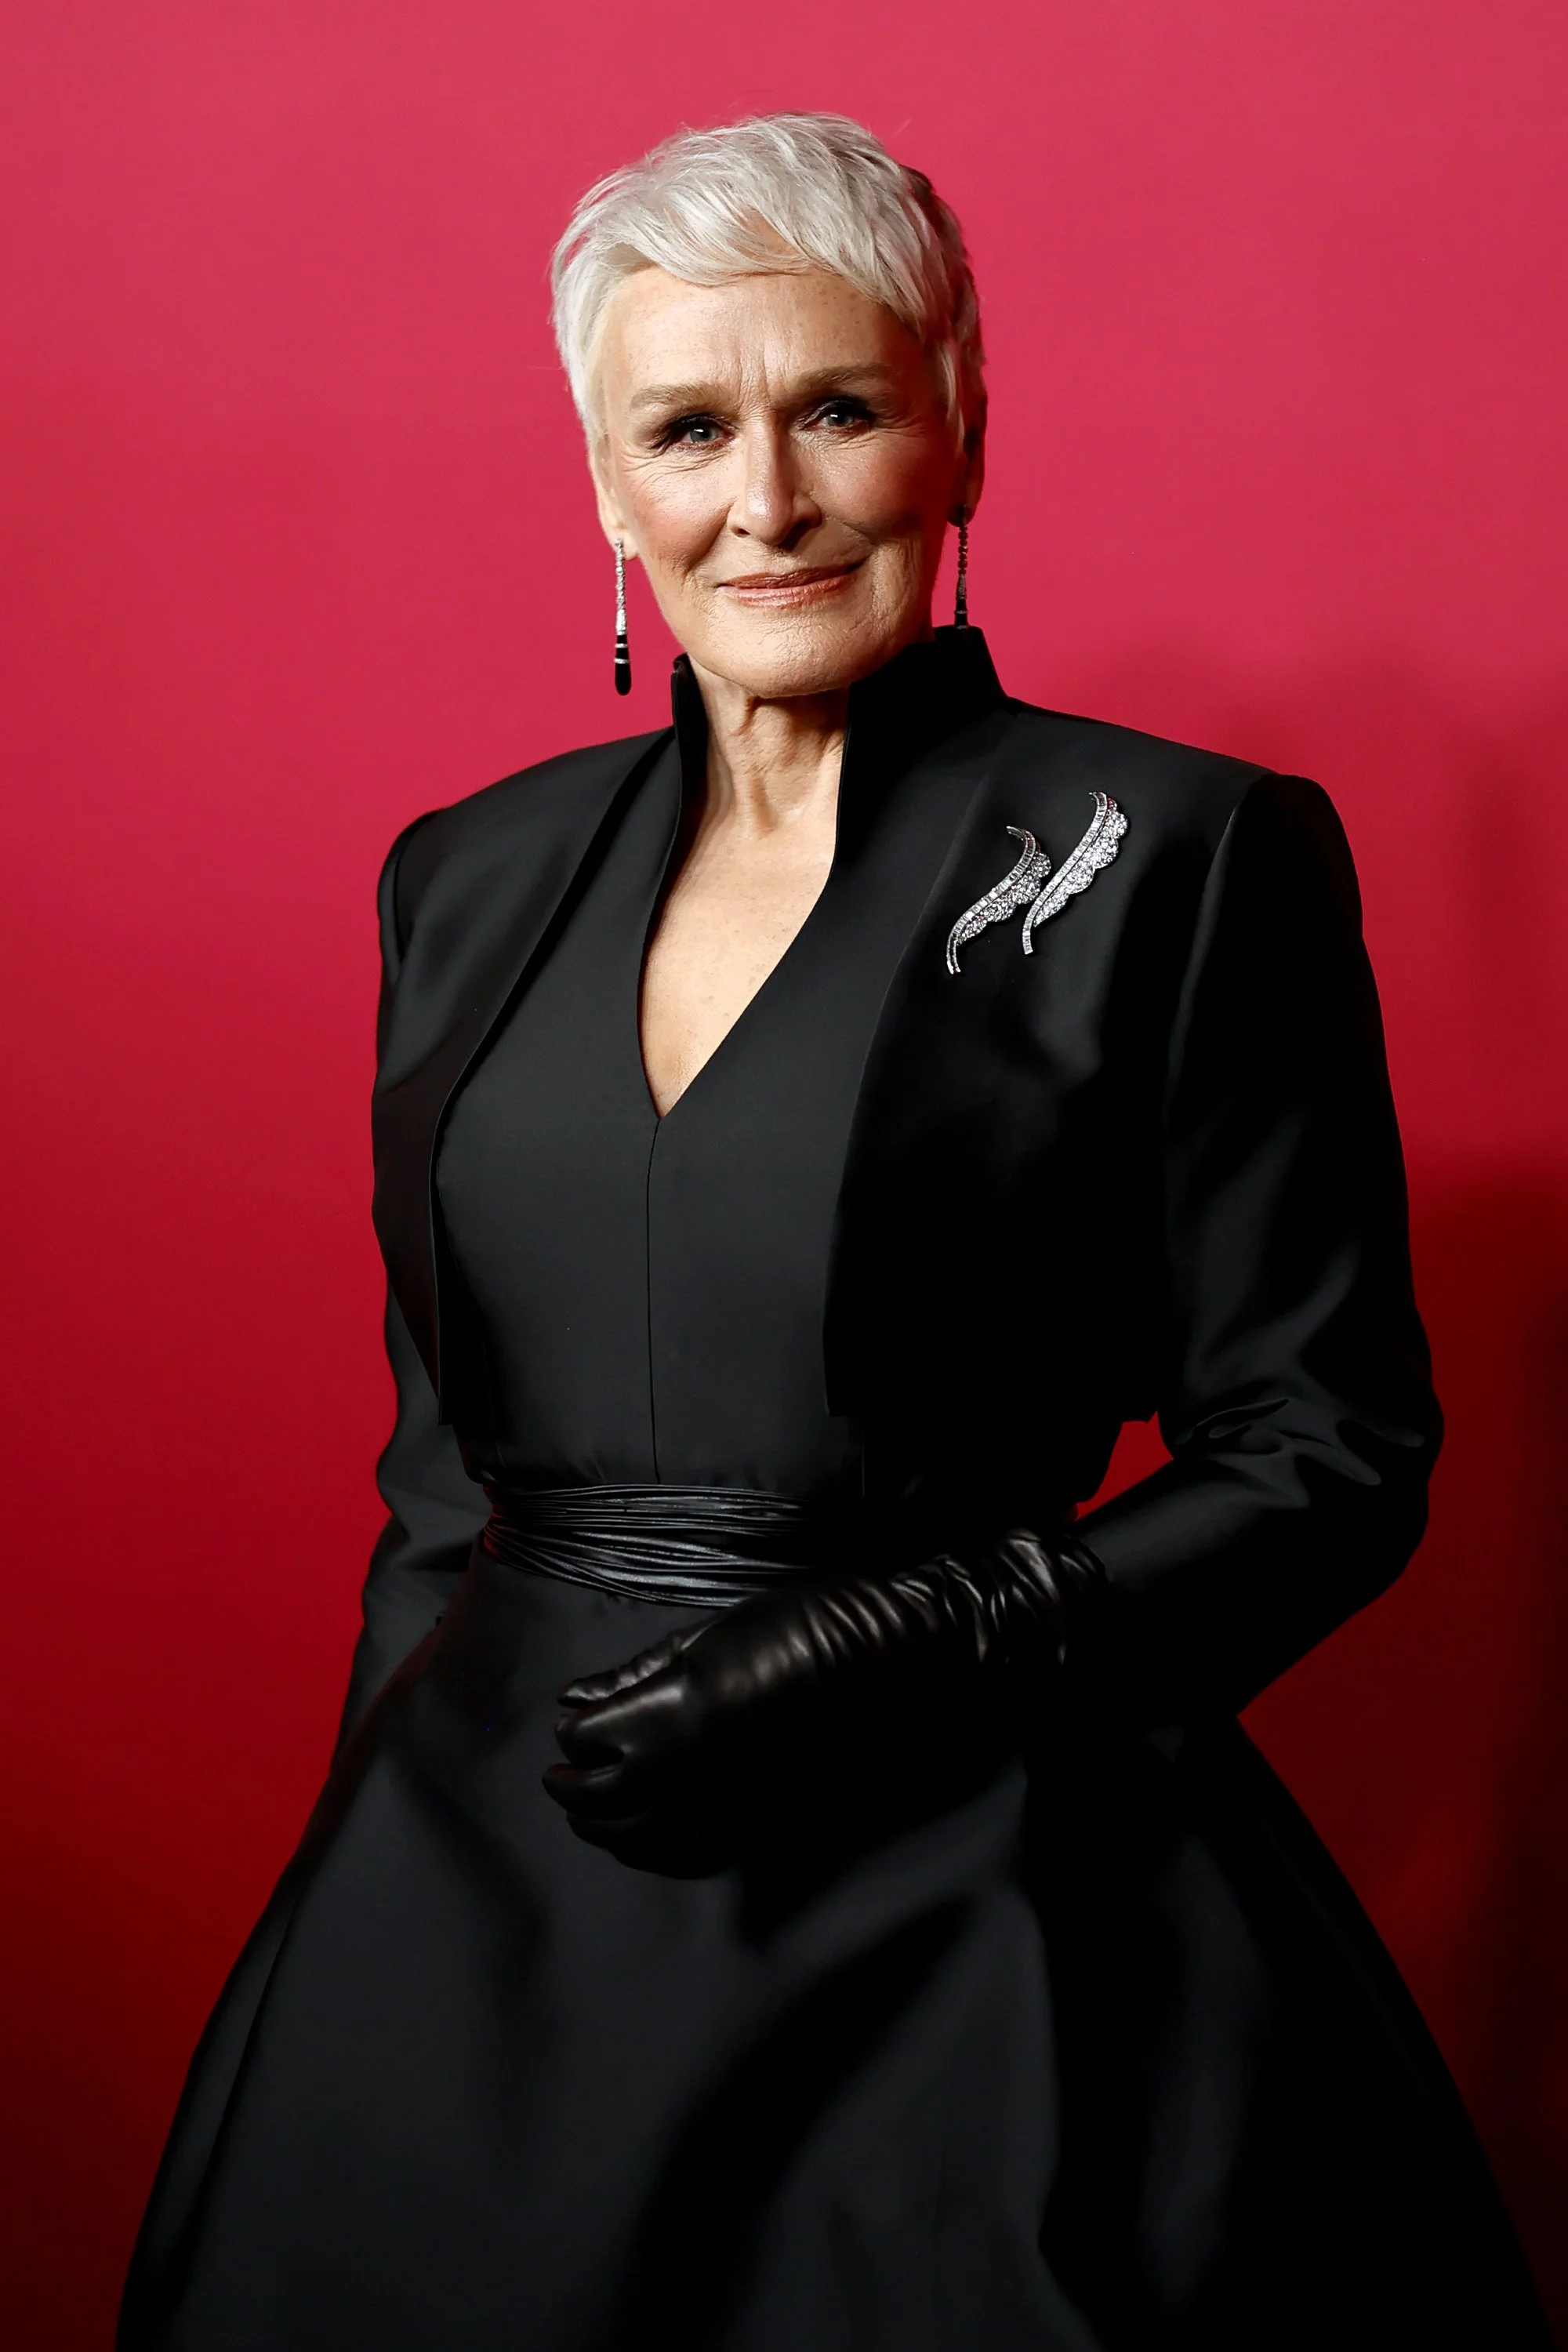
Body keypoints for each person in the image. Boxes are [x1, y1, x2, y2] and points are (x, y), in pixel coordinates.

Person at [118, 111, 1549, 2351]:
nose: (762, 501)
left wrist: (920, 1644)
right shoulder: (463, 880)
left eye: (840, 410)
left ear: (959, 430)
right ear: (606, 488)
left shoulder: (1177, 852)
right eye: (686, 428)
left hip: (978, 1890)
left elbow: (1330, 1449)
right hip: (485, 1889)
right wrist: (374, 1868)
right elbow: (436, 1473)